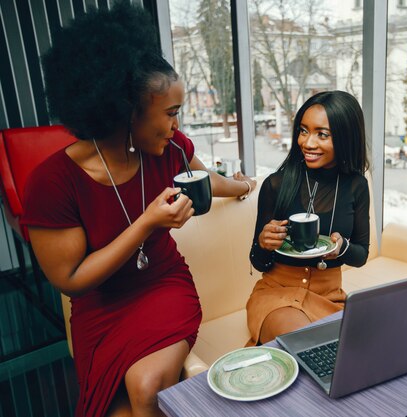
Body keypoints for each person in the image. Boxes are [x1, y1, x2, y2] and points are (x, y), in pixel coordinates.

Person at [20, 4, 256, 417]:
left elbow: (206, 181)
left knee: (145, 386)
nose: (175, 126)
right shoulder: (53, 182)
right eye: (169, 113)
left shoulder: (171, 148)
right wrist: (148, 222)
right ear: (125, 111)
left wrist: (242, 185)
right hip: (101, 306)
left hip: (165, 286)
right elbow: (72, 280)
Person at [247, 90, 370, 345]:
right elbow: (259, 262)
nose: (308, 143)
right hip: (276, 295)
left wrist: (342, 247)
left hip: (330, 298)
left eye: (322, 134)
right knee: (306, 345)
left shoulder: (356, 186)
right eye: (303, 131)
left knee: (360, 352)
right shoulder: (276, 184)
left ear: (346, 138)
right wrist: (264, 242)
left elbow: (361, 254)